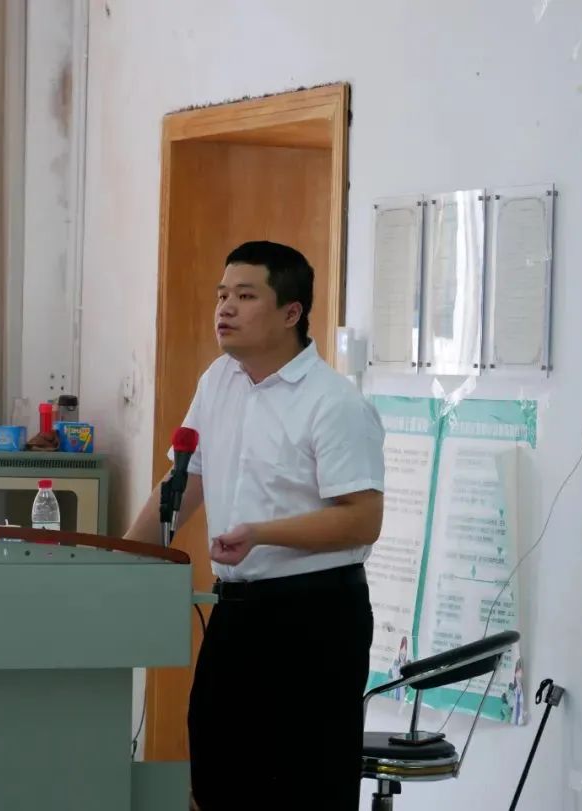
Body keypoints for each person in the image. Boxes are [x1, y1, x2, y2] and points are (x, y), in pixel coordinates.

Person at [125, 241, 385, 810]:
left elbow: (363, 519)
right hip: (237, 612)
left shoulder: (333, 402)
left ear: (291, 312)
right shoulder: (219, 379)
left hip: (315, 617)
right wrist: (118, 557)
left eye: (245, 296)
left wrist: (263, 533)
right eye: (222, 294)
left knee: (301, 787)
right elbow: (186, 479)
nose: (225, 308)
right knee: (218, 775)